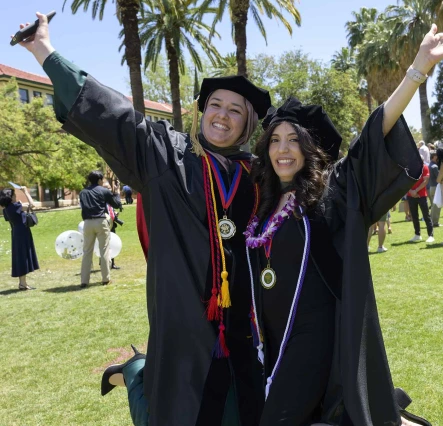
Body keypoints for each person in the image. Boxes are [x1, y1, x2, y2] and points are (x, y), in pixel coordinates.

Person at [17, 12, 272, 426]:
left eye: (235, 111)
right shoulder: (166, 154)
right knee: (176, 412)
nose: (222, 116)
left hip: (246, 322)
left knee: (244, 410)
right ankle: (135, 372)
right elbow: (115, 117)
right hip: (185, 315)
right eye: (215, 105)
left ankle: (138, 369)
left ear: (248, 124)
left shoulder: (258, 174)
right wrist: (44, 49)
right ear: (202, 111)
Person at [246, 20, 443, 425]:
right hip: (273, 341)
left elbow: (371, 138)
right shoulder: (263, 203)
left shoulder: (331, 190)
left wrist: (417, 70)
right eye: (275, 140)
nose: (283, 149)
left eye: (294, 140)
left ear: (309, 149)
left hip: (315, 340)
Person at [78, 171, 122, 287]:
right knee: (104, 250)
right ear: (99, 180)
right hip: (101, 221)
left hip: (87, 223)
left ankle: (84, 280)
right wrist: (117, 193)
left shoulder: (83, 192)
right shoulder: (104, 191)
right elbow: (116, 204)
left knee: (87, 251)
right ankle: (105, 279)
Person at [0, 186, 39, 290]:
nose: (16, 196)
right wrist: (26, 191)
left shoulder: (7, 209)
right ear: (10, 197)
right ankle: (22, 284)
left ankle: (23, 283)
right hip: (22, 233)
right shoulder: (15, 206)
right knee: (23, 257)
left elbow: (17, 214)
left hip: (16, 233)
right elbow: (32, 205)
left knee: (21, 256)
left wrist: (20, 205)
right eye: (14, 195)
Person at [407, 162, 435, 243]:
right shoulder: (409, 168)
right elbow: (405, 180)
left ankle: (430, 235)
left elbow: (425, 181)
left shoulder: (424, 167)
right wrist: (410, 191)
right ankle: (417, 234)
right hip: (410, 194)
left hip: (421, 195)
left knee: (426, 215)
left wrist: (415, 191)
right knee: (414, 215)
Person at [102, 180, 123, 270]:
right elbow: (117, 202)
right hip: (104, 223)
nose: (108, 190)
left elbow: (113, 206)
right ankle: (104, 263)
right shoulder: (101, 199)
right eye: (106, 188)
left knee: (112, 243)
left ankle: (112, 263)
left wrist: (114, 214)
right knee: (104, 244)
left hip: (112, 224)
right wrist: (117, 193)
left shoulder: (109, 199)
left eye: (109, 188)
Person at [428, 150, 442, 227]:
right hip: (436, 187)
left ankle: (431, 221)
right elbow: (439, 177)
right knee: (437, 206)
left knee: (433, 205)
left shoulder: (429, 165)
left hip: (431, 187)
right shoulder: (435, 166)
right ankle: (435, 222)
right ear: (434, 157)